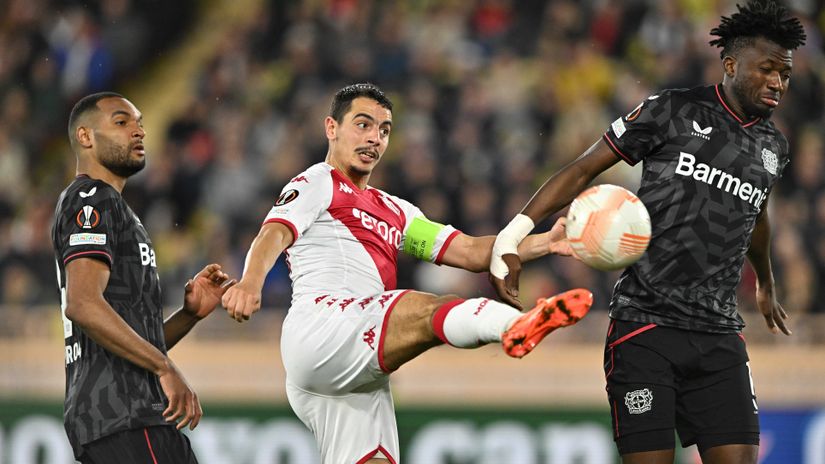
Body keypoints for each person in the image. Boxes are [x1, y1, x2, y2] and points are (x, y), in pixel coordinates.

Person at [489, 1, 805, 463]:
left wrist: (766, 282)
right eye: (768, 69)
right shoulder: (672, 110)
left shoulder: (773, 146)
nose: (778, 82)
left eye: (786, 73)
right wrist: (512, 236)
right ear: (732, 64)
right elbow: (582, 171)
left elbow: (755, 214)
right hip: (645, 327)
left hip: (719, 334)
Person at [220, 83, 593, 464]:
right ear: (331, 127)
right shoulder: (317, 182)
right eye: (362, 125)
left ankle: (515, 324)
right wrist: (251, 280)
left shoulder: (397, 212)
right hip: (323, 329)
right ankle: (513, 326)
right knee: (425, 309)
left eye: (384, 130)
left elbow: (470, 251)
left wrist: (543, 243)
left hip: (354, 370)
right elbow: (274, 232)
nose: (374, 139)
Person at [51, 92, 236, 464]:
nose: (138, 131)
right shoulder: (92, 198)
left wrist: (188, 316)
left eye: (139, 123)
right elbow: (83, 303)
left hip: (126, 417)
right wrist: (164, 367)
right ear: (86, 137)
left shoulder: (117, 210)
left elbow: (123, 337)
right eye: (121, 122)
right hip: (127, 418)